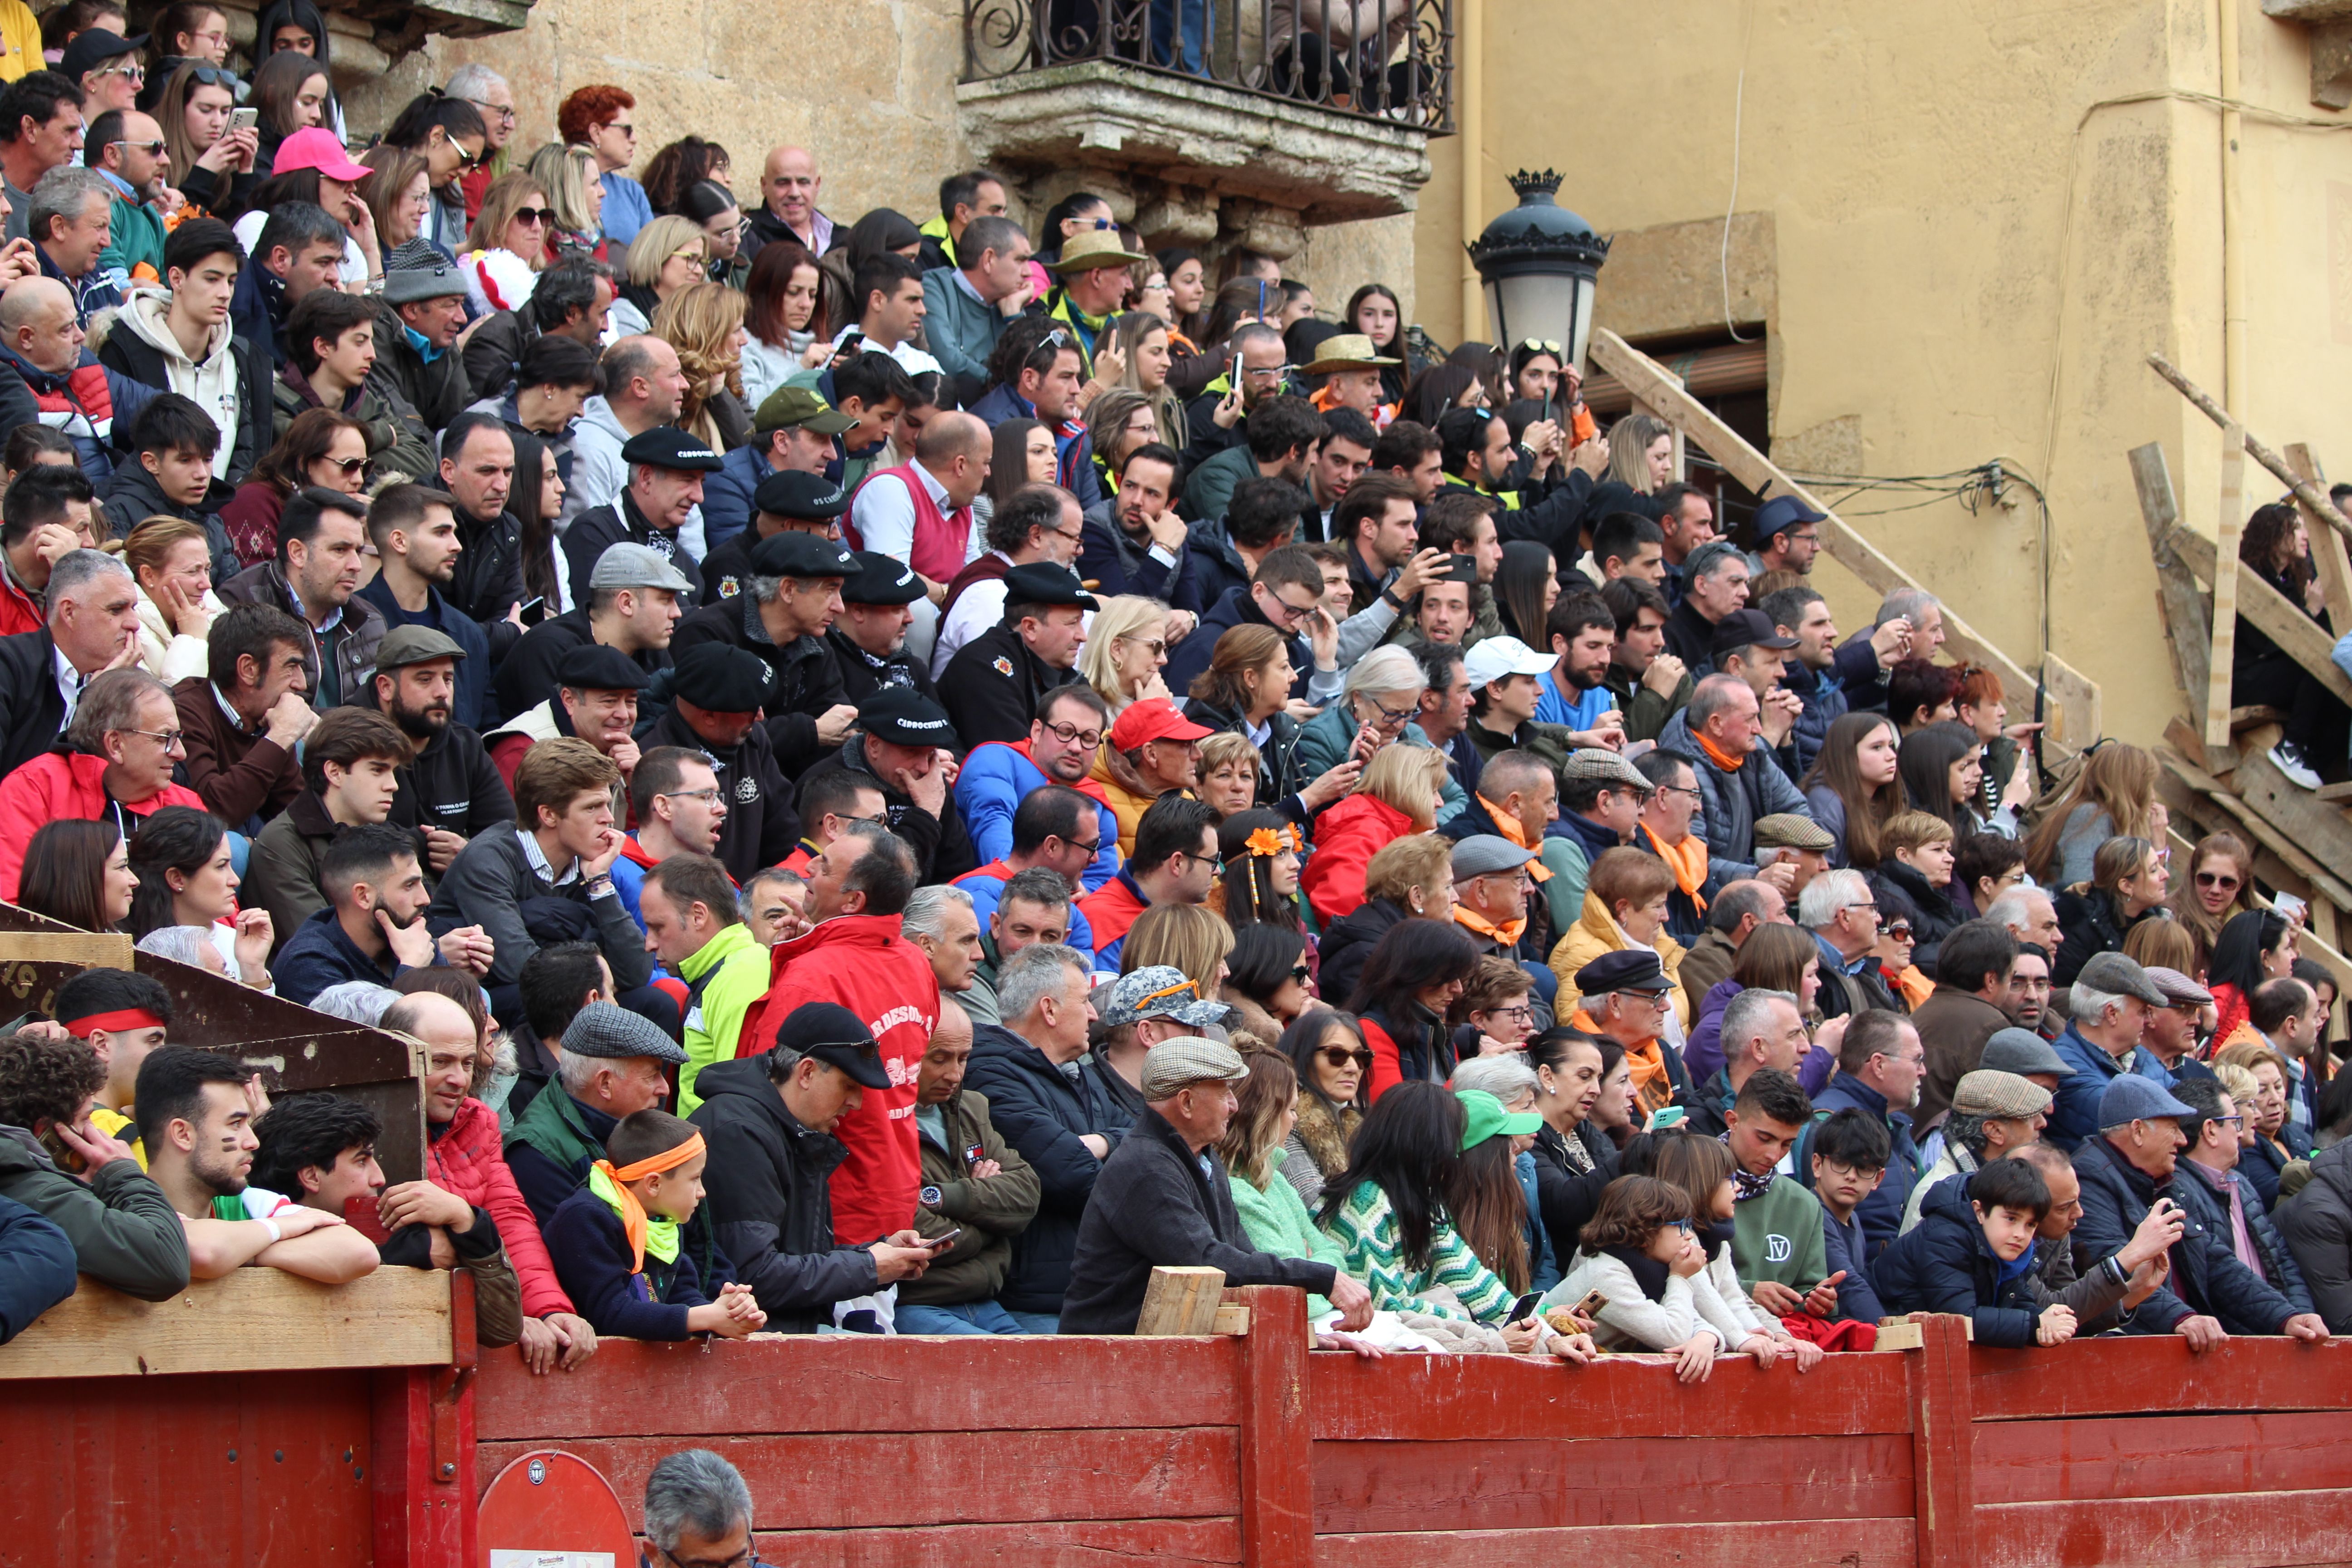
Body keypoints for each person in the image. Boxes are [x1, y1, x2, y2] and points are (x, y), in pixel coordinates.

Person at [2070, 1073, 2330, 1346]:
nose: (2183, 1140)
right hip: (2130, 1356)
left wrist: (2287, 1317)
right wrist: (2181, 1318)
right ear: (2138, 1131)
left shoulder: (2165, 1183)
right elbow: (2115, 1274)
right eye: (2173, 1128)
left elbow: (2217, 1262)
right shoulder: (2089, 1181)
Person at [248, 1091, 523, 1347]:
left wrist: (467, 1220)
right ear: (310, 1176)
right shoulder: (247, 1226)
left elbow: (502, 1330)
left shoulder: (404, 1231)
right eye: (361, 1161)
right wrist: (390, 1261)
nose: (379, 1177)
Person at [959, 943, 1132, 1330]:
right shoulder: (990, 1074)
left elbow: (1145, 1139)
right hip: (1040, 1301)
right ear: (1049, 1009)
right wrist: (1103, 1147)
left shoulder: (1081, 1074)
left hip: (1092, 1293)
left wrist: (1098, 1143)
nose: (1094, 1014)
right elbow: (1072, 1177)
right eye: (1085, 1001)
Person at [425, 737, 656, 1024]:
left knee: (654, 1003)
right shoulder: (489, 858)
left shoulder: (585, 862)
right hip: (488, 1000)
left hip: (562, 990)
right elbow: (519, 967)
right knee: (561, 1003)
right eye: (592, 807)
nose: (608, 819)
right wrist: (599, 978)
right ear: (548, 815)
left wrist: (599, 883)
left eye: (608, 804)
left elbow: (636, 972)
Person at [1316, 1081, 1556, 1347]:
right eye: (1451, 1139)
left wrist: (1549, 1337)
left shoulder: (1422, 1201)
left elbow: (1475, 1282)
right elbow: (1386, 1307)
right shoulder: (1365, 1201)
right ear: (1425, 1142)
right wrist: (1482, 1330)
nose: (1456, 1153)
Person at [132, 1046, 377, 1284]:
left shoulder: (250, 1203)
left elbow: (359, 1253)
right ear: (183, 1134)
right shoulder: (125, 1208)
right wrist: (276, 1229)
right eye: (236, 1124)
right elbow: (202, 1253)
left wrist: (239, 1253)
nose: (253, 1142)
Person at [542, 1105, 765, 1342]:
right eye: (695, 1178)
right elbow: (610, 1312)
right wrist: (705, 1317)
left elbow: (681, 1294)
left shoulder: (663, 1222)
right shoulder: (585, 1219)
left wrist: (726, 1314)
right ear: (654, 1184)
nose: (702, 1192)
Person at [100, 217, 270, 488]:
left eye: (231, 281)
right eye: (212, 279)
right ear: (177, 278)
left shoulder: (249, 359)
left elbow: (256, 454)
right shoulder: (122, 350)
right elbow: (115, 450)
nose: (225, 293)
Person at [500, 999, 681, 1226]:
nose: (664, 1089)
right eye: (651, 1076)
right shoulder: (536, 1154)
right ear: (605, 1084)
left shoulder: (639, 1125)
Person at [1872, 1156, 2081, 1347]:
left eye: (2030, 1225)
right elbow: (1960, 1318)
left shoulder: (2008, 1250)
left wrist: (2047, 1321)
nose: (2020, 1234)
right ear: (1979, 1212)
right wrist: (2035, 1324)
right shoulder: (1945, 1238)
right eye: (2011, 1219)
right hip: (1876, 1339)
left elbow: (2018, 1304)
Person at [2168, 1075, 2313, 1312]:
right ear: (2211, 1131)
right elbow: (2224, 1284)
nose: (2240, 1131)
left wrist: (2301, 1314)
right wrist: (2283, 1321)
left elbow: (2283, 1259)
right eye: (2235, 1121)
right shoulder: (2180, 1193)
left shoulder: (2241, 1184)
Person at [1796, 1009, 1926, 1256]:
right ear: (1879, 1064)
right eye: (1917, 1060)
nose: (1923, 1071)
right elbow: (1818, 1231)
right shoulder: (1825, 1123)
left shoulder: (1896, 1125)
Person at [937, 561, 1096, 751]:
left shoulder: (1067, 676)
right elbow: (1015, 760)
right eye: (1072, 623)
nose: (1082, 636)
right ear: (1030, 628)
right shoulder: (984, 667)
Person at [1910, 917, 2023, 1132]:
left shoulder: (1917, 1016)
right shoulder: (1993, 1027)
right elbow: (2007, 1114)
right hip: (1950, 1153)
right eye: (2012, 978)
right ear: (1991, 979)